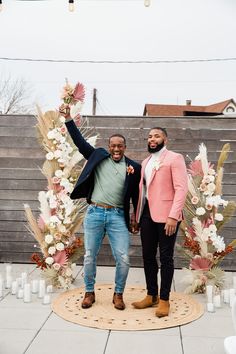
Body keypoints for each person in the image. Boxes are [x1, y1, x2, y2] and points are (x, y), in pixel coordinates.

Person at [59, 104, 141, 310]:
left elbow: (136, 195)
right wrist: (68, 118)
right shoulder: (97, 156)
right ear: (108, 145)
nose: (115, 148)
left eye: (120, 146)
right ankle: (89, 292)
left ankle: (118, 294)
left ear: (125, 147)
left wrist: (134, 216)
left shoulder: (134, 167)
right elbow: (79, 142)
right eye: (113, 145)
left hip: (117, 216)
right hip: (95, 213)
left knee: (123, 257)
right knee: (89, 256)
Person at [132, 127, 188, 317]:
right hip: (147, 214)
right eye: (149, 136)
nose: (152, 139)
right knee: (147, 256)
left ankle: (164, 300)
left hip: (167, 216)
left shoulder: (174, 158)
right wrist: (137, 215)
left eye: (156, 136)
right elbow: (143, 191)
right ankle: (151, 295)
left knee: (166, 258)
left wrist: (174, 215)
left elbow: (181, 189)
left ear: (166, 139)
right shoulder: (146, 161)